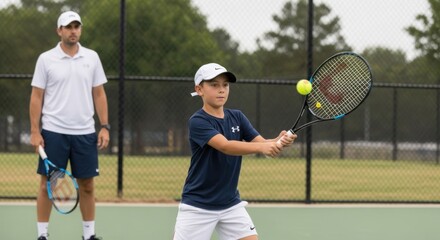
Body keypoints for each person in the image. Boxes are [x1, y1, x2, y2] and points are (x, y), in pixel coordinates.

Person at [173, 63, 297, 240]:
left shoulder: (237, 116)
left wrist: (279, 141)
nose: (221, 90)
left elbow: (262, 143)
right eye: (214, 85)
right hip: (198, 206)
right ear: (199, 89)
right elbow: (226, 146)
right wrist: (263, 147)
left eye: (225, 85)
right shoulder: (198, 121)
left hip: (230, 205)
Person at [29, 10, 109, 240]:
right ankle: (42, 235)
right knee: (47, 185)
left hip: (85, 133)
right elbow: (36, 96)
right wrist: (35, 131)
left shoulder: (92, 57)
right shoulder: (46, 59)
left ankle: (89, 235)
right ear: (59, 31)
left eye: (77, 26)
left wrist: (104, 126)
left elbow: (99, 93)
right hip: (53, 132)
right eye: (68, 27)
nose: (73, 31)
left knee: (87, 186)